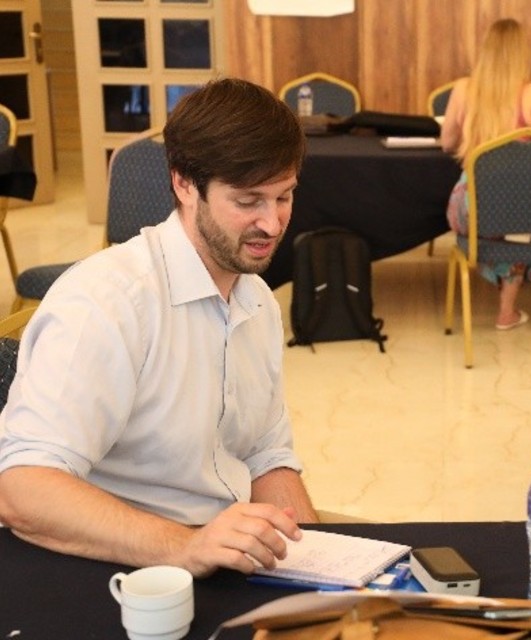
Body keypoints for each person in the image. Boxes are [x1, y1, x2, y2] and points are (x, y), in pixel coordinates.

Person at [0, 78, 321, 576]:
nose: (274, 224)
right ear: (184, 184)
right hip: (120, 570)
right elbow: (22, 486)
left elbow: (266, 455)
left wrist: (318, 568)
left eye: (284, 197)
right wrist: (184, 547)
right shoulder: (106, 302)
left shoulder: (256, 299)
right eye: (248, 201)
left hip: (220, 560)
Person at [441, 18, 531, 330]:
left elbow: (446, 143)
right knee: (522, 219)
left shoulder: (462, 90)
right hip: (516, 209)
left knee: (511, 223)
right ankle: (528, 296)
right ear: (521, 54)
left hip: (468, 209)